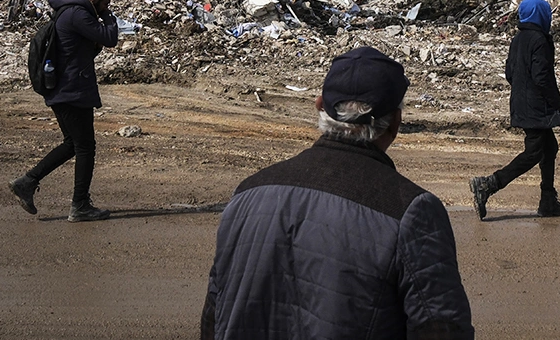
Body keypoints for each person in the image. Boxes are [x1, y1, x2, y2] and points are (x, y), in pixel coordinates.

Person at [202, 46, 473, 339]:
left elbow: (214, 316)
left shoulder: (247, 193)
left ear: (319, 106)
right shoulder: (412, 211)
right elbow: (442, 329)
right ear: (396, 122)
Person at [9, 0, 119, 222]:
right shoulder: (77, 15)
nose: (106, 8)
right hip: (72, 91)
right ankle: (79, 205)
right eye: (105, 4)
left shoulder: (69, 12)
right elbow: (109, 38)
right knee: (85, 147)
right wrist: (110, 19)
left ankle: (27, 182)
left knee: (73, 143)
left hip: (64, 89)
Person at [469, 0, 560, 219]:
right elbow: (542, 77)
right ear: (542, 15)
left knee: (549, 148)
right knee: (534, 152)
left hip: (522, 103)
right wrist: (555, 105)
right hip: (537, 106)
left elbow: (510, 73)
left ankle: (548, 200)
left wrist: (523, 92)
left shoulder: (518, 39)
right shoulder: (540, 40)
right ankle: (488, 184)